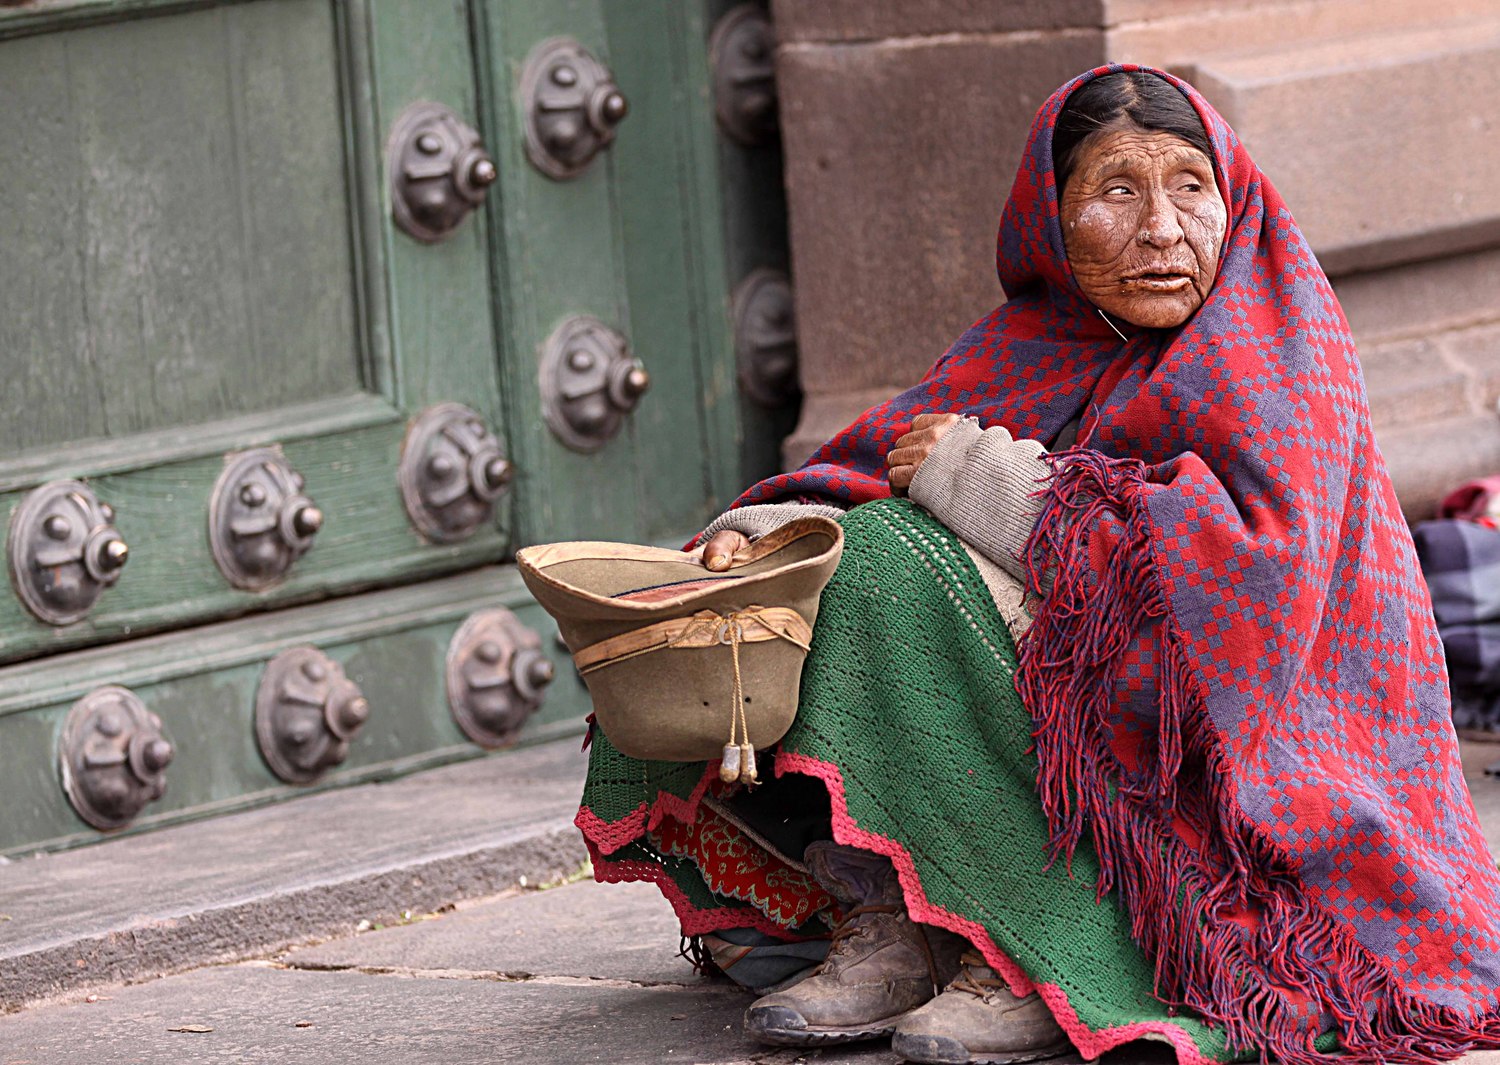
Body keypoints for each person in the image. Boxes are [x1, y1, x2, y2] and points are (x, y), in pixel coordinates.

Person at [574, 65, 1500, 1065]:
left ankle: (1028, 951)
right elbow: (858, 471)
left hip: (1245, 768)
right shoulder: (1034, 344)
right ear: (1049, 221)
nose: (1161, 228)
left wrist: (995, 486)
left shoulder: (1278, 353)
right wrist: (762, 534)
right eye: (1116, 190)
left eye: (1191, 186)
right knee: (831, 567)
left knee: (899, 562)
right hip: (1089, 722)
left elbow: (1247, 595)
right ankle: (898, 919)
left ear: (1233, 203)